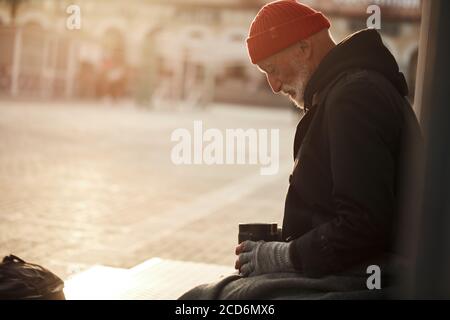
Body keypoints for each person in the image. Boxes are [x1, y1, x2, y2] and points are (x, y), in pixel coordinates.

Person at [179, 0, 423, 299]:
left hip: (374, 277)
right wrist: (279, 245)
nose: (274, 86)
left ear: (303, 48)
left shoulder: (355, 97)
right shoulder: (346, 92)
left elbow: (365, 225)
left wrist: (284, 255)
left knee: (208, 300)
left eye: (272, 69)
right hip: (360, 270)